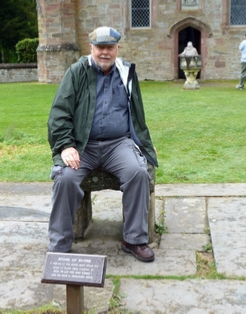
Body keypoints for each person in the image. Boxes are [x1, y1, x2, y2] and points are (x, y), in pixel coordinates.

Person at [47, 26, 159, 262]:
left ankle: (134, 239)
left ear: (117, 48)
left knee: (138, 173)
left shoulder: (127, 72)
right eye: (100, 48)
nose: (105, 52)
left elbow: (137, 114)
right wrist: (66, 146)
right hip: (82, 145)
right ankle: (60, 244)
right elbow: (59, 114)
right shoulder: (77, 72)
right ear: (91, 48)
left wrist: (145, 145)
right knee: (65, 179)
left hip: (118, 144)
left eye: (110, 47)